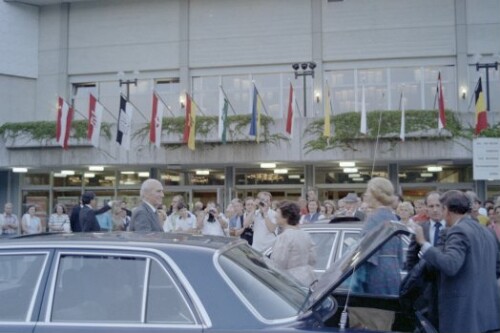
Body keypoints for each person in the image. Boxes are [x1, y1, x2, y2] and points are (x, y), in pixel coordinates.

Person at [413, 190, 500, 333]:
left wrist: (424, 243)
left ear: (446, 209)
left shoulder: (458, 230)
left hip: (463, 315)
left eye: (441, 208)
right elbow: (497, 267)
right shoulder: (487, 231)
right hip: (488, 313)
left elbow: (450, 265)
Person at [349, 177, 403, 331]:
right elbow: (400, 255)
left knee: (371, 322)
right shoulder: (393, 217)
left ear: (376, 194)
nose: (365, 195)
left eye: (368, 191)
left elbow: (363, 253)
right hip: (392, 274)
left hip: (376, 274)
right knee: (385, 321)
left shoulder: (374, 218)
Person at [271, 200, 316, 286]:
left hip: (290, 282)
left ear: (286, 217)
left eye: (278, 213)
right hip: (308, 280)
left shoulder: (284, 237)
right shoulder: (305, 234)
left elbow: (278, 263)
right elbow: (313, 259)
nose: (275, 216)